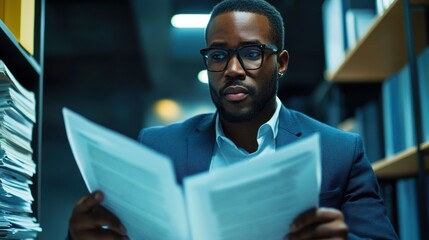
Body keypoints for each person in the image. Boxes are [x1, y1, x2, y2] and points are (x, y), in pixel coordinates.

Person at [67, 0, 398, 239]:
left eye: (252, 54)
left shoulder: (339, 150)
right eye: (218, 55)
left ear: (280, 62)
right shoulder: (157, 146)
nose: (233, 69)